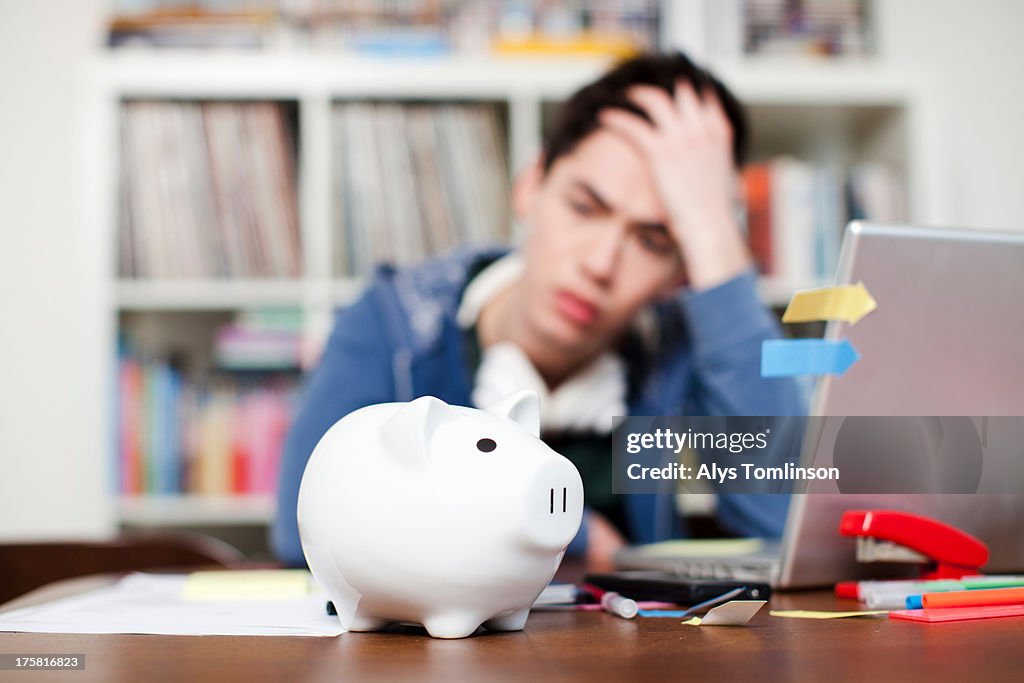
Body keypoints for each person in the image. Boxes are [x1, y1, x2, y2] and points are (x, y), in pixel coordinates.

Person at [272, 51, 805, 570]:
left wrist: (712, 233)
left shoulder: (679, 351)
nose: (599, 263)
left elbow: (786, 522)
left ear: (681, 272)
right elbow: (305, 527)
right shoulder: (396, 322)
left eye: (653, 240)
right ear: (530, 185)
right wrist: (564, 526)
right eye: (584, 207)